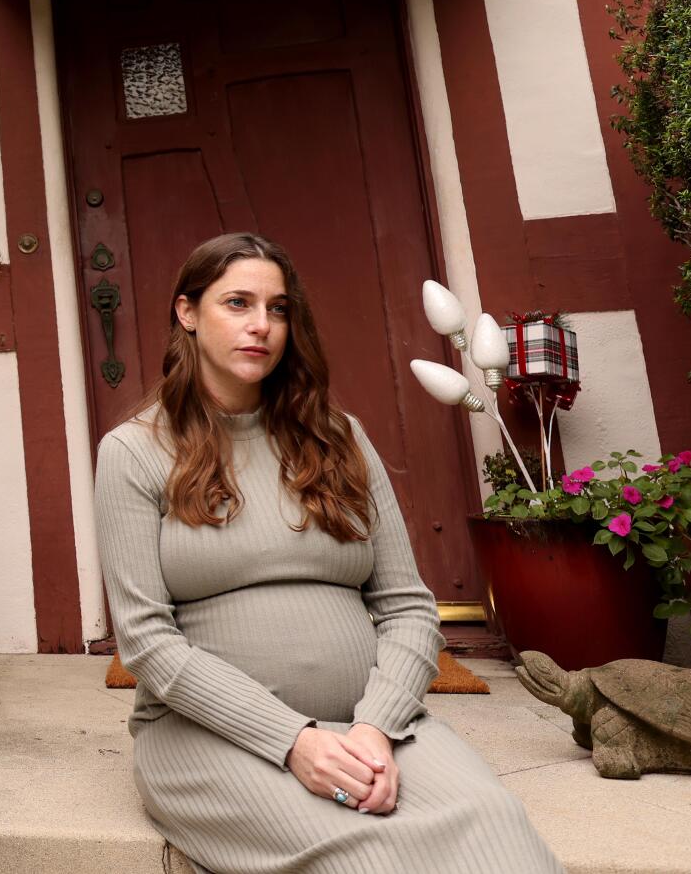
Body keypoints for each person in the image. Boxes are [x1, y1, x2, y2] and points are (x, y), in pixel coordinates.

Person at [95, 233, 561, 873]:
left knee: (499, 835)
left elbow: (407, 608)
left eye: (278, 308)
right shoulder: (133, 452)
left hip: (372, 725)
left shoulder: (340, 438)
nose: (261, 325)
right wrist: (291, 740)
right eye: (237, 303)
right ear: (187, 313)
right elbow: (147, 641)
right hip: (208, 736)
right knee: (366, 858)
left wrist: (374, 726)